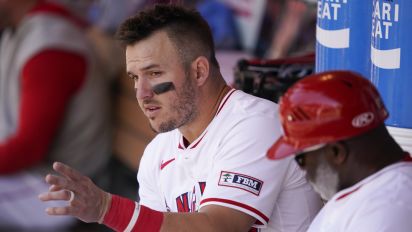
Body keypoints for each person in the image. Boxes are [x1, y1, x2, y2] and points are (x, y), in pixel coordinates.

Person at [39, 4, 322, 232]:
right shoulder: (157, 154)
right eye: (135, 77)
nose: (142, 92)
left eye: (154, 74)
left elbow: (222, 227)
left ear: (199, 71)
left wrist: (105, 209)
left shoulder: (256, 123)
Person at [0, 0, 110, 230]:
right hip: (32, 176)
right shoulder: (21, 28)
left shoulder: (51, 47)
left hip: (63, 190)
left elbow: (28, 149)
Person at [267, 71, 412, 231]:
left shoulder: (387, 209)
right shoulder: (372, 193)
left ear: (336, 152)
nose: (302, 169)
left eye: (301, 158)